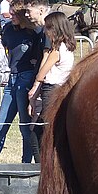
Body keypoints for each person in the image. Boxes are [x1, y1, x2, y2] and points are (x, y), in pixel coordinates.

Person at [0, 0, 44, 161]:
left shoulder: (35, 32)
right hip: (10, 79)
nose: (10, 16)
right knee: (0, 126)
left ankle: (26, 163)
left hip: (26, 78)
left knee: (24, 127)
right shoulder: (7, 29)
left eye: (14, 14)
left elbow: (41, 54)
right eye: (10, 13)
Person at [28, 12, 77, 158]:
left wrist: (37, 79)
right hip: (57, 88)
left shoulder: (56, 50)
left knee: (38, 132)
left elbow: (41, 74)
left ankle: (40, 164)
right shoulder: (68, 48)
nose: (45, 32)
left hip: (51, 90)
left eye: (48, 28)